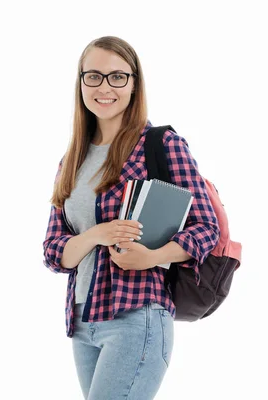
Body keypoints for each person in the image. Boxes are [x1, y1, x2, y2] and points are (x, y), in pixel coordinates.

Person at [42, 35, 220, 400]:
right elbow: (53, 251)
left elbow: (206, 230)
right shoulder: (70, 160)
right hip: (82, 321)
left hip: (136, 316)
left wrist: (153, 257)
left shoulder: (161, 144)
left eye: (117, 77)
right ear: (80, 83)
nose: (104, 87)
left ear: (134, 84)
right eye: (93, 76)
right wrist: (95, 235)